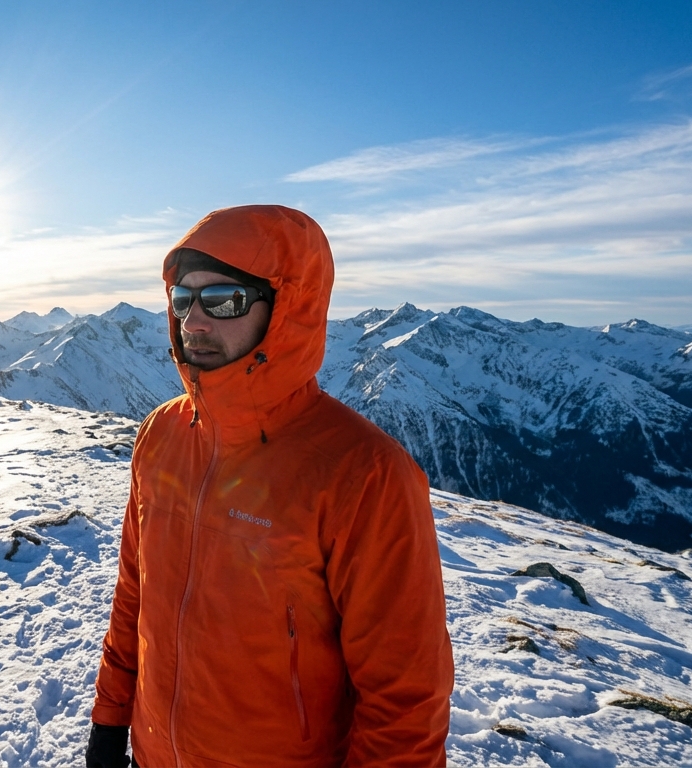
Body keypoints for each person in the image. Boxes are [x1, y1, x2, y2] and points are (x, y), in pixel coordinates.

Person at [85, 205, 453, 767]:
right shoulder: (161, 434)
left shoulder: (364, 473)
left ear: (288, 307)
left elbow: (404, 699)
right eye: (183, 300)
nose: (195, 322)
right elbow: (134, 596)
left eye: (223, 300)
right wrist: (111, 721)